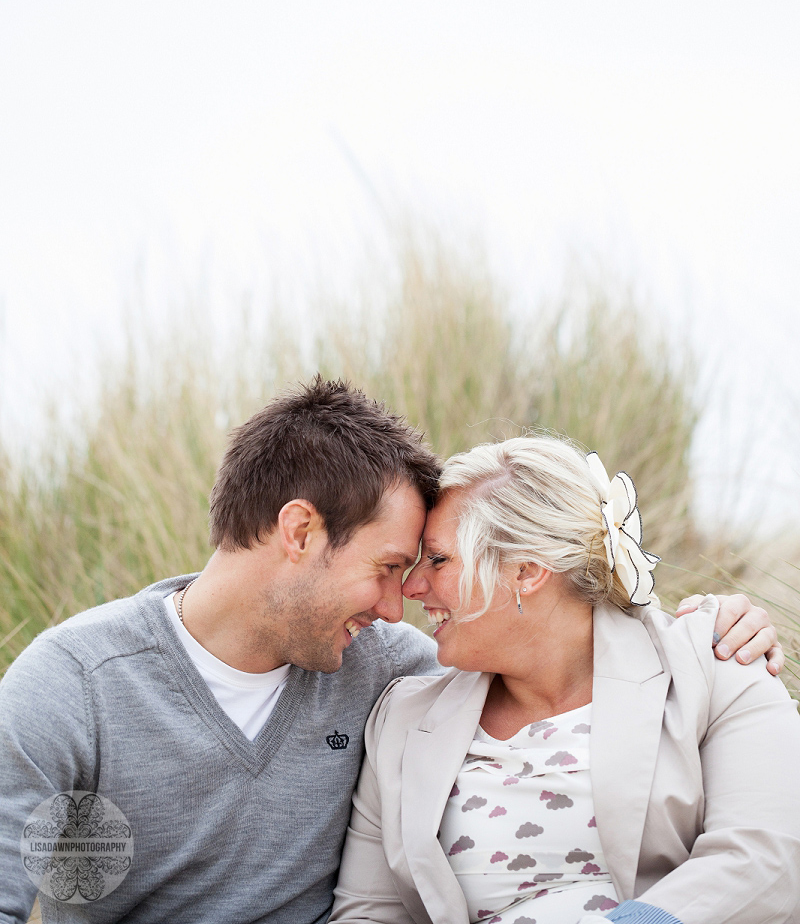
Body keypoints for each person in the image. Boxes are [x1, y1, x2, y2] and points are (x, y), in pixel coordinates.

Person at [0, 383, 783, 924]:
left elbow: (561, 646)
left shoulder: (392, 670)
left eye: (421, 569)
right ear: (299, 533)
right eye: (387, 568)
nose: (397, 603)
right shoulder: (73, 688)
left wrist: (713, 626)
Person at [330, 435, 800, 924]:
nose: (410, 587)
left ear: (527, 571)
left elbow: (766, 860)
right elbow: (370, 911)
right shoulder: (403, 718)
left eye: (440, 560)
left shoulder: (717, 660)